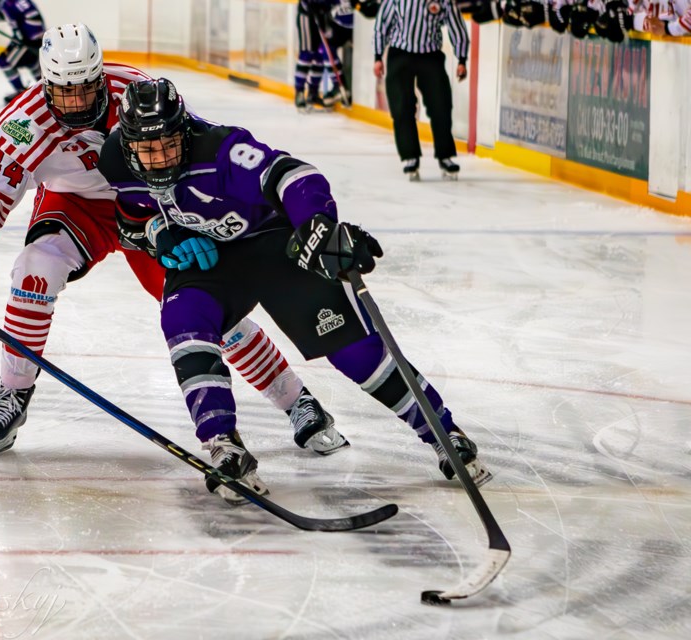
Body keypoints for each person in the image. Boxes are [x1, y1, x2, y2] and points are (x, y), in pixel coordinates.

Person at [0, 24, 346, 460]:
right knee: (35, 267)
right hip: (76, 206)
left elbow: (193, 147)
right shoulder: (22, 124)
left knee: (209, 299)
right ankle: (13, 394)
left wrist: (188, 220)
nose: (74, 104)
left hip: (150, 203)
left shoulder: (137, 90)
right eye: (63, 93)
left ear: (100, 77)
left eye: (85, 90)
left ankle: (296, 399)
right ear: (45, 84)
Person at [98, 78, 493, 504]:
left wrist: (316, 225)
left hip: (275, 247)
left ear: (185, 131)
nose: (159, 160)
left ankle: (441, 430)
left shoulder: (222, 150)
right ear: (129, 143)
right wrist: (158, 235)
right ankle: (223, 445)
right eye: (148, 150)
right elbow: (129, 216)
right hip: (212, 263)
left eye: (169, 146)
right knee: (182, 319)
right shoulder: (115, 160)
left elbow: (294, 175)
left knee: (354, 352)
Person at [373, 0, 469, 181]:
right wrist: (378, 56)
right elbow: (381, 25)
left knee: (441, 105)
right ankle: (410, 156)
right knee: (402, 107)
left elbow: (457, 26)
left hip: (430, 56)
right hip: (400, 54)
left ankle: (445, 156)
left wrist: (462, 59)